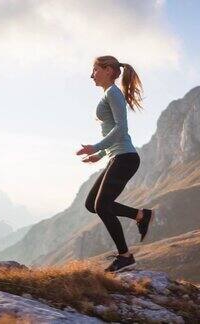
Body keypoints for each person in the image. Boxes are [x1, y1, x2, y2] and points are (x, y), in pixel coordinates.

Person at [76, 55, 155, 273]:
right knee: (92, 204)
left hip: (125, 158)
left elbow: (121, 128)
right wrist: (99, 154)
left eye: (95, 70)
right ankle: (141, 215)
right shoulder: (109, 94)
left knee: (102, 205)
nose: (92, 75)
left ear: (109, 70)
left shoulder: (113, 94)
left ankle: (125, 256)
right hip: (117, 157)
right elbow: (114, 131)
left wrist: (96, 146)